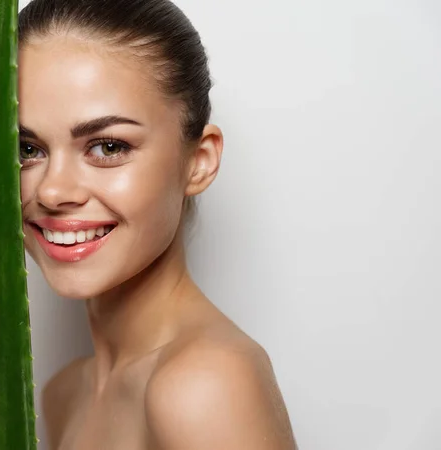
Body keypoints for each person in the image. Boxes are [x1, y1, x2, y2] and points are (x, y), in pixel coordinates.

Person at [17, 0, 296, 448]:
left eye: (107, 146)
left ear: (199, 163)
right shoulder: (64, 394)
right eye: (28, 149)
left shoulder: (205, 384)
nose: (51, 192)